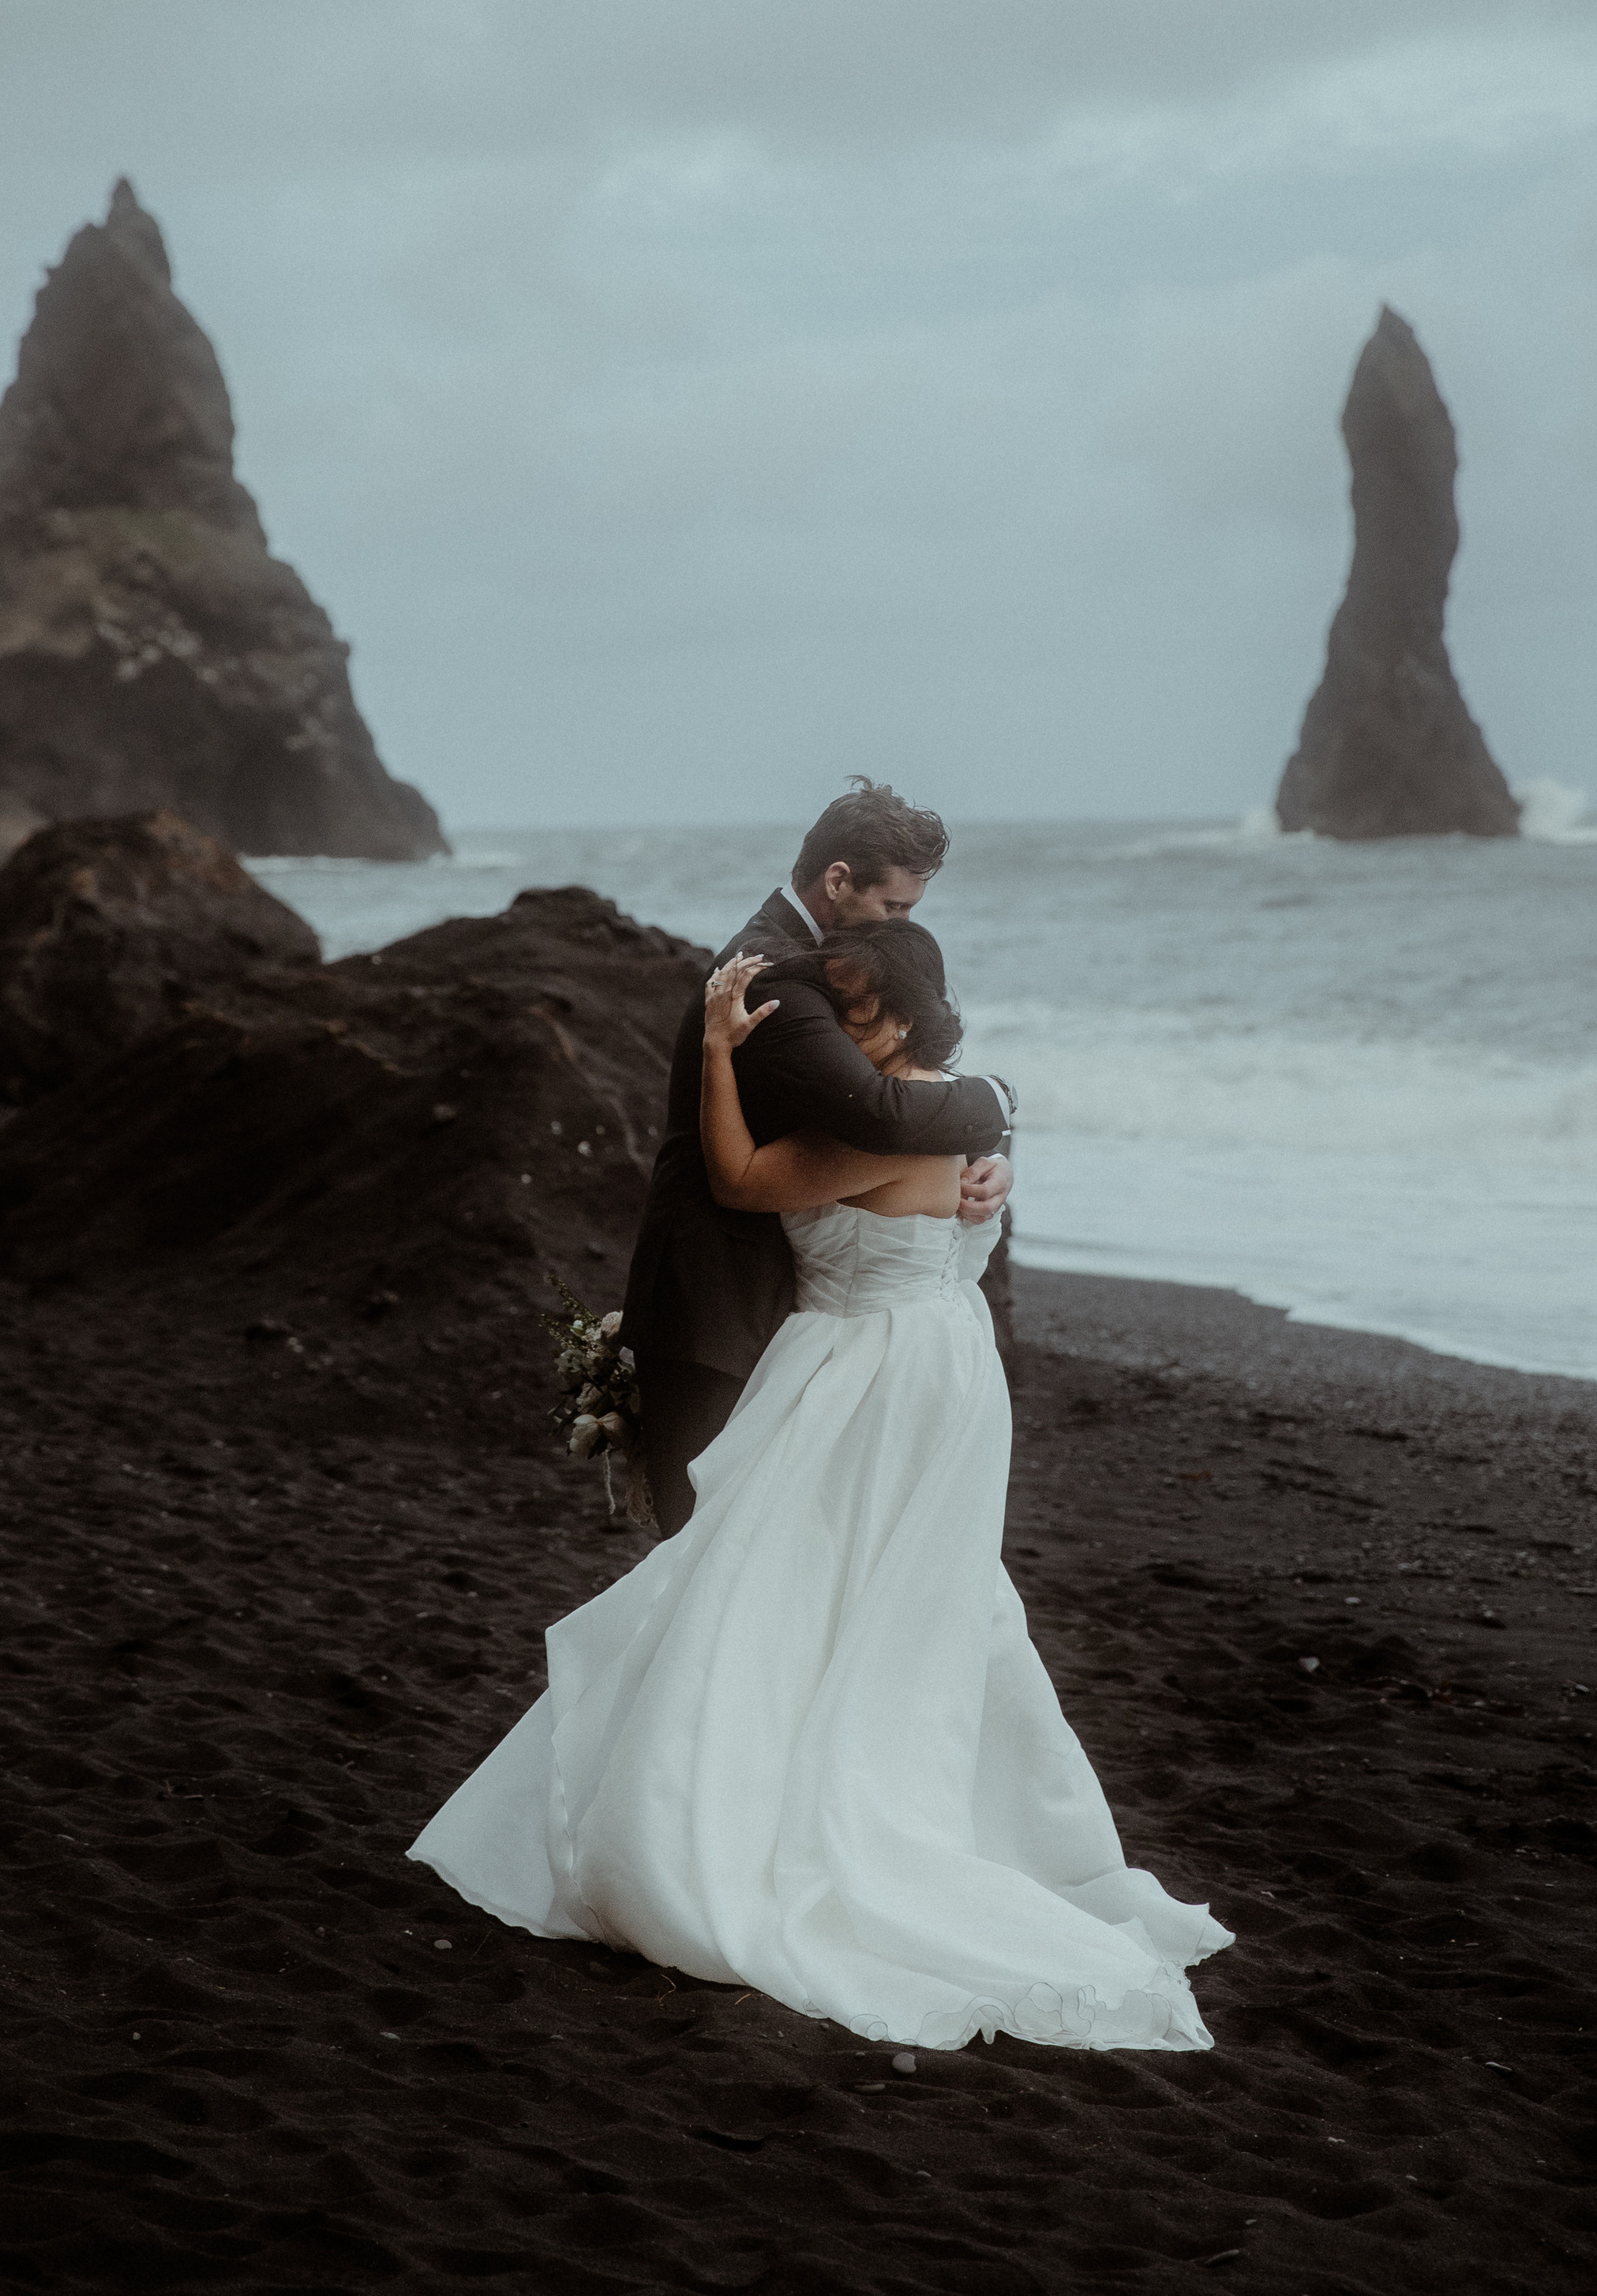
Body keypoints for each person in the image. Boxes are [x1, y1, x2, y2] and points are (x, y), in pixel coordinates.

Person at [407, 925, 1231, 2052]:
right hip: (925, 1365)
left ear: (901, 1013)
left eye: (854, 1013)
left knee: (779, 1577)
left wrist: (710, 1049)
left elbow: (744, 1182)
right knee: (863, 1587)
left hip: (867, 1375)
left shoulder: (903, 1124)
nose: (836, 1037)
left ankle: (779, 1810)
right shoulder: (944, 1111)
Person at [620, 778, 1014, 1533]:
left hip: (783, 1293)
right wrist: (1001, 1100)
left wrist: (987, 1152)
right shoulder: (776, 973)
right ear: (838, 881)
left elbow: (901, 1080)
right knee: (706, 1544)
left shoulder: (815, 959)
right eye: (893, 908)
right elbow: (877, 1109)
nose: (898, 928)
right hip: (722, 1298)